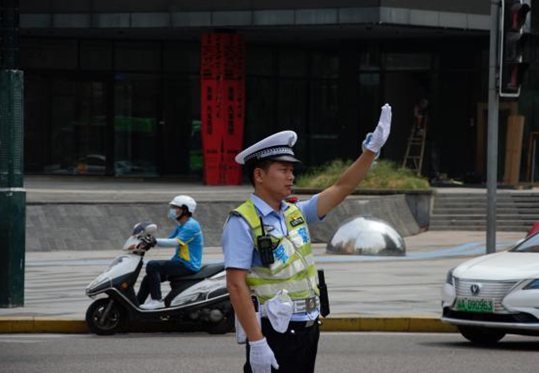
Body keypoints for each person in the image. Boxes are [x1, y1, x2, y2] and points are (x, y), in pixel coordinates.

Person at [222, 104, 392, 373]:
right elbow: (236, 286)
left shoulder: (295, 212)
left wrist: (370, 153)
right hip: (274, 333)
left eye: (292, 170)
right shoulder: (242, 222)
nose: (291, 176)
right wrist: (257, 343)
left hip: (308, 329)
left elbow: (342, 187)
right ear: (259, 175)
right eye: (283, 169)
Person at [137, 195, 204, 310]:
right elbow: (169, 240)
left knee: (153, 265)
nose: (172, 210)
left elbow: (175, 242)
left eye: (175, 207)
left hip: (188, 265)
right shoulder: (182, 225)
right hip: (180, 262)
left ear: (185, 210)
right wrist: (147, 243)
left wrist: (154, 241)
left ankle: (156, 300)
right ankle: (136, 305)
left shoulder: (191, 226)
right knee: (148, 278)